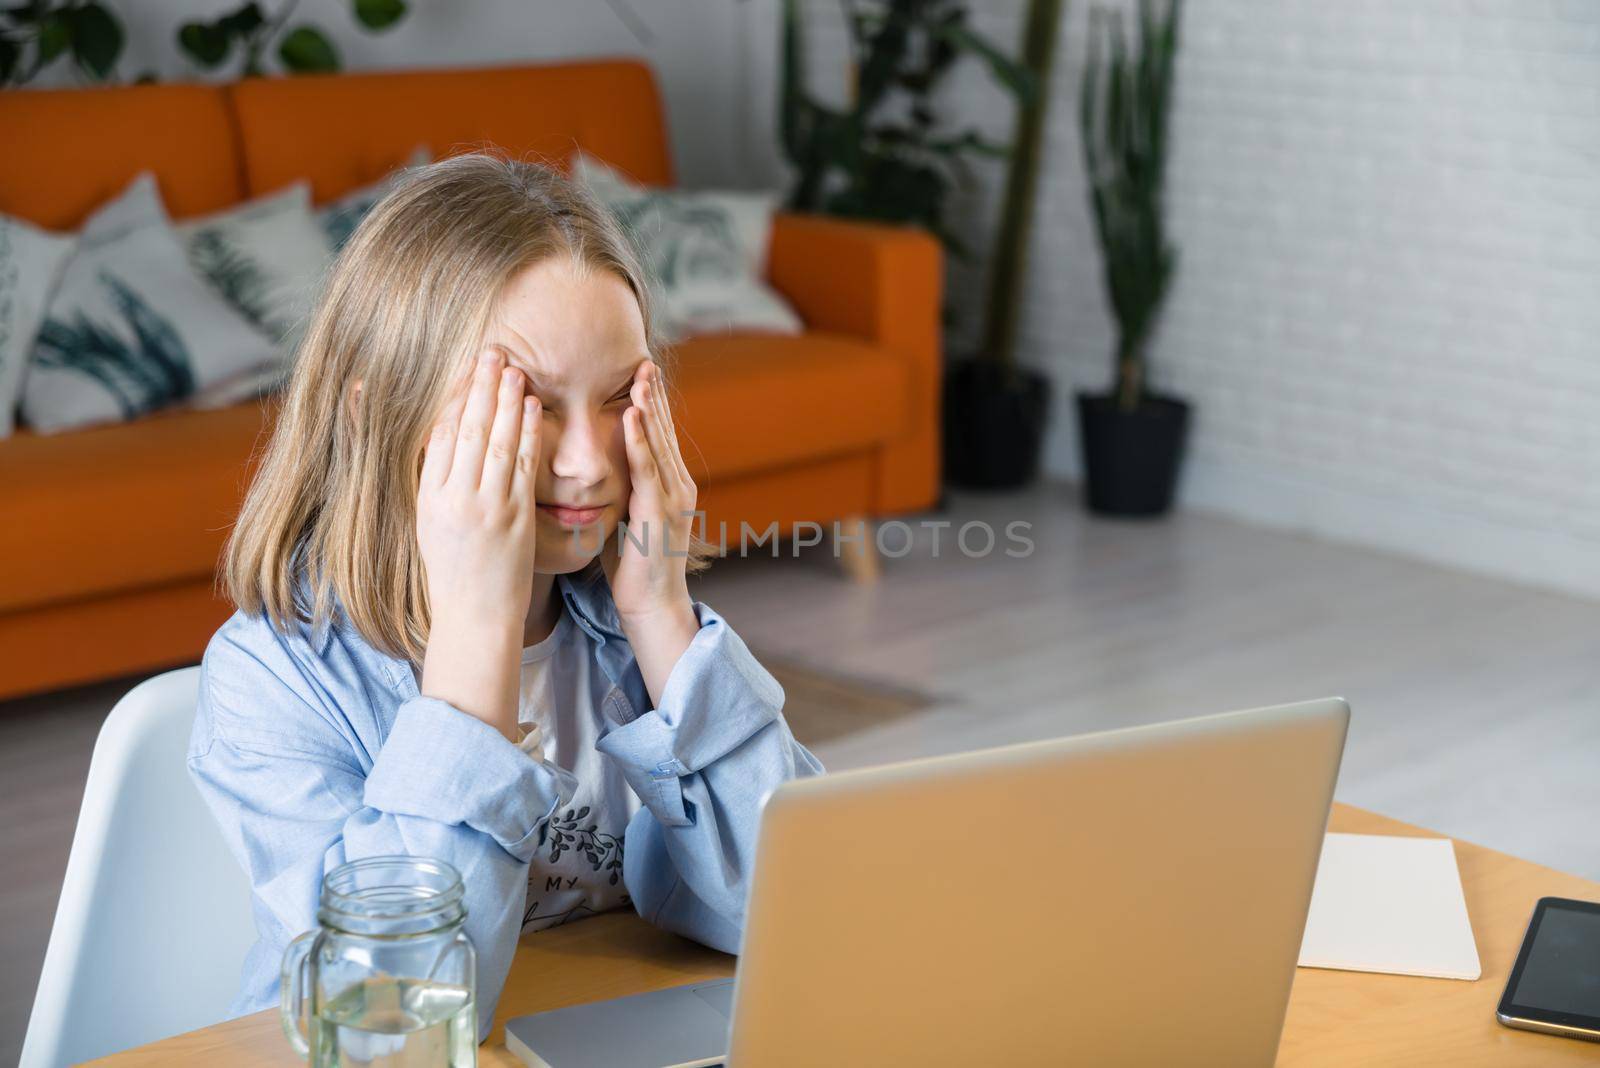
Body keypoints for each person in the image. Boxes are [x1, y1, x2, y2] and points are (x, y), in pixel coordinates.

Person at [188, 150, 826, 1042]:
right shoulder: (273, 678)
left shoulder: (624, 626)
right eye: (527, 402)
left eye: (618, 399)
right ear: (376, 416)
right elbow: (396, 1022)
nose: (588, 463)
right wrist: (478, 633)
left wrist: (661, 614)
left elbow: (797, 913)